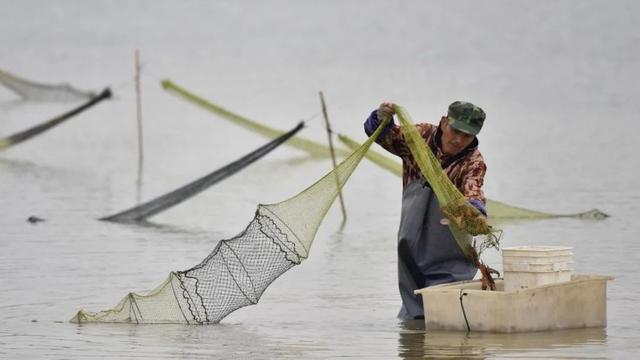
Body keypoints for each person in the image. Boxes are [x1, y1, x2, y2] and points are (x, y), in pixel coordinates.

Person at [364, 101, 488, 319]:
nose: (458, 140)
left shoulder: (473, 162)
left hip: (449, 250)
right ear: (443, 122)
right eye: (455, 130)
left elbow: (473, 189)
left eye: (467, 136)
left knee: (446, 309)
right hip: (410, 241)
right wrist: (381, 117)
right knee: (413, 313)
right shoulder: (421, 136)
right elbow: (384, 137)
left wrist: (475, 212)